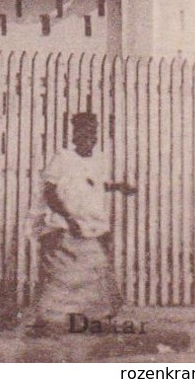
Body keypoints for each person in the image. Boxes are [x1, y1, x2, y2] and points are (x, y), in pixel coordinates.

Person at [29, 111, 137, 335]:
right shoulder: (63, 157)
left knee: (94, 271)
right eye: (84, 133)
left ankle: (91, 320)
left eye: (93, 133)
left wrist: (117, 187)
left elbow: (93, 185)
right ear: (75, 135)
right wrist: (69, 218)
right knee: (61, 273)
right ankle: (46, 322)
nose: (89, 138)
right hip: (63, 225)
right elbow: (49, 192)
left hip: (90, 224)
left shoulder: (98, 159)